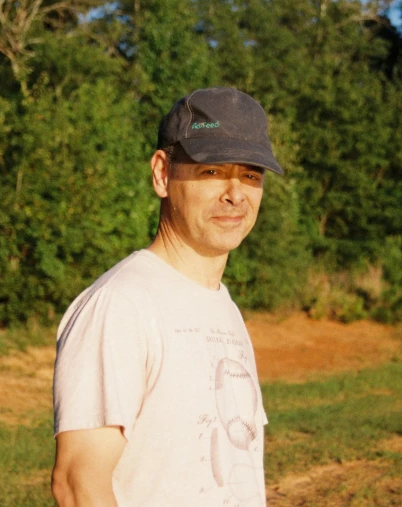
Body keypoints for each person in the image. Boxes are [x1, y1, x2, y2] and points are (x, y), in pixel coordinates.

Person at [51, 87, 284, 507]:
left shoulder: (222, 306)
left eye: (250, 174)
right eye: (212, 171)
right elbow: (77, 484)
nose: (236, 194)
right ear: (162, 173)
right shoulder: (121, 305)